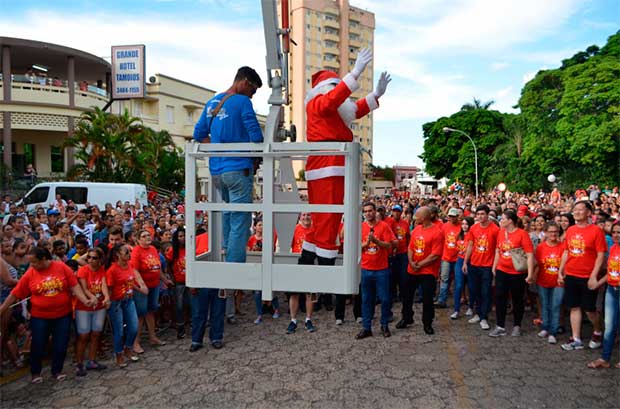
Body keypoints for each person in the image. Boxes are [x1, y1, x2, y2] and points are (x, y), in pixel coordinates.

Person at [297, 48, 391, 334]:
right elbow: (333, 102)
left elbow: (352, 109)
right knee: (327, 220)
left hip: (334, 164)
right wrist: (355, 73)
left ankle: (311, 270)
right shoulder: (317, 104)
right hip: (327, 165)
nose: (343, 93)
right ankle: (323, 284)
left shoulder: (333, 106)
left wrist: (376, 95)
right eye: (338, 88)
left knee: (325, 222)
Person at [193, 66, 263, 340]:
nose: (253, 96)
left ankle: (223, 252)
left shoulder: (213, 101)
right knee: (240, 220)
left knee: (225, 216)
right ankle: (233, 269)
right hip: (237, 171)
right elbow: (256, 137)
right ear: (244, 83)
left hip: (216, 172)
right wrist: (245, 152)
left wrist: (220, 145)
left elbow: (200, 134)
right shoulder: (241, 101)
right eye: (253, 89)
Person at [0, 247, 95, 383]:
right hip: (40, 317)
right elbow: (15, 293)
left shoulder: (61, 267)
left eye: (34, 262)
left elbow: (75, 286)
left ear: (44, 259)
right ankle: (36, 372)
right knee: (38, 344)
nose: (32, 266)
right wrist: (2, 309)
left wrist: (85, 300)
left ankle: (57, 371)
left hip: (62, 315)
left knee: (60, 343)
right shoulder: (31, 273)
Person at [559, 201, 607, 351]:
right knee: (574, 306)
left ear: (588, 213)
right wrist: (561, 270)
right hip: (571, 274)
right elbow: (567, 251)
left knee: (589, 309)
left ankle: (598, 331)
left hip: (587, 275)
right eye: (575, 210)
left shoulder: (596, 231)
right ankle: (576, 339)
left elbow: (600, 255)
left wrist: (594, 276)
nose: (577, 212)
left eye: (581, 210)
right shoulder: (571, 230)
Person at [397, 206, 444, 335]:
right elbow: (411, 247)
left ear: (424, 217)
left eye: (416, 215)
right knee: (407, 295)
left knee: (427, 299)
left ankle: (427, 323)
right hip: (412, 269)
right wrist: (411, 262)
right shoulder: (416, 229)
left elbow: (435, 255)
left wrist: (420, 264)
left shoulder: (437, 232)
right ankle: (407, 318)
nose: (414, 217)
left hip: (428, 271)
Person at [488, 210, 535, 337]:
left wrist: (530, 274)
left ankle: (517, 325)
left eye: (503, 218)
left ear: (510, 220)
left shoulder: (522, 234)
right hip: (502, 270)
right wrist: (495, 266)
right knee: (499, 297)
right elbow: (498, 250)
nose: (501, 220)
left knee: (517, 298)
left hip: (517, 272)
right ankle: (500, 325)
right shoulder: (501, 233)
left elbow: (530, 255)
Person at [355, 202, 397, 339]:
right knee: (367, 299)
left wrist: (376, 241)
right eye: (365, 211)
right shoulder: (361, 227)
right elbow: (355, 247)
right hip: (366, 269)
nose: (368, 213)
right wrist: (366, 243)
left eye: (370, 211)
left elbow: (389, 245)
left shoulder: (384, 226)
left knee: (385, 299)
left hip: (381, 269)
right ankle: (366, 328)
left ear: (375, 212)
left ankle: (384, 325)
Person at [106, 244, 147, 368]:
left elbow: (129, 281)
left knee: (134, 327)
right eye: (126, 252)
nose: (129, 254)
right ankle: (119, 355)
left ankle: (128, 348)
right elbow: (109, 288)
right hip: (116, 303)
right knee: (119, 330)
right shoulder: (112, 270)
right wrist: (109, 303)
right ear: (118, 255)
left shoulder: (130, 265)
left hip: (129, 300)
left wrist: (140, 289)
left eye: (130, 252)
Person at [131, 230, 170, 353]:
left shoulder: (153, 249)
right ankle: (135, 342)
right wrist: (142, 285)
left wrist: (165, 280)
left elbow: (157, 268)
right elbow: (135, 270)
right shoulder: (136, 251)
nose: (147, 237)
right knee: (140, 314)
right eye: (144, 236)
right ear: (138, 240)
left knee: (151, 311)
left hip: (154, 285)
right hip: (142, 289)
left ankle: (152, 337)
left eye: (148, 235)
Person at [587, 223, 620, 369]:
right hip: (611, 290)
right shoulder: (612, 248)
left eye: (619, 232)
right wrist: (598, 283)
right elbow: (610, 272)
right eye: (614, 232)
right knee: (609, 325)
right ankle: (605, 358)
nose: (616, 235)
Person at [74, 247, 110, 376]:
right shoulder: (83, 270)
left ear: (100, 259)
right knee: (83, 335)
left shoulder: (102, 270)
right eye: (89, 257)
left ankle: (92, 360)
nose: (90, 260)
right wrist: (91, 297)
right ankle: (79, 363)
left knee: (96, 333)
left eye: (94, 258)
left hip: (99, 306)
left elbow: (104, 285)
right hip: (84, 307)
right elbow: (83, 288)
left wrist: (106, 297)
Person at [463, 204, 499, 331]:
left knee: (486, 291)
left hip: (487, 266)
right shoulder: (473, 228)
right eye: (478, 214)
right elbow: (471, 245)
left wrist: (495, 265)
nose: (480, 217)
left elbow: (497, 249)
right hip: (474, 264)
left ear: (487, 214)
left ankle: (484, 317)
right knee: (474, 290)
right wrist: (465, 262)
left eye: (482, 214)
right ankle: (478, 313)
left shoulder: (495, 229)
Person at [534, 221, 565, 344]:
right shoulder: (540, 247)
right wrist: (532, 276)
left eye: (555, 232)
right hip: (543, 280)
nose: (553, 234)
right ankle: (545, 327)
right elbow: (537, 264)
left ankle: (553, 331)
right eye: (550, 232)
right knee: (545, 304)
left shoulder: (563, 247)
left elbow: (566, 265)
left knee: (556, 306)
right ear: (545, 233)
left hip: (559, 282)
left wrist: (562, 276)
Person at [287, 212, 317, 333]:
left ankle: (308, 320)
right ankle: (293, 320)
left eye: (308, 215)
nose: (306, 217)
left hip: (310, 263)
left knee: (310, 294)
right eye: (303, 215)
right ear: (299, 217)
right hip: (296, 263)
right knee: (294, 294)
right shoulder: (294, 229)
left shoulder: (316, 230)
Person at [166, 227, 191, 339]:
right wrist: (172, 278)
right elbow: (168, 265)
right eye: (180, 236)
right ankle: (180, 327)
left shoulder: (191, 248)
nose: (183, 238)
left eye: (184, 235)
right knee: (179, 306)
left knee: (191, 304)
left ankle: (192, 324)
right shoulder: (172, 251)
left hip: (191, 281)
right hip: (179, 282)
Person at [436, 208, 461, 308]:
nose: (451, 218)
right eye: (450, 216)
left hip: (457, 257)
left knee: (457, 281)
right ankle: (442, 300)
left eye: (453, 216)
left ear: (457, 217)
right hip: (446, 256)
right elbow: (440, 240)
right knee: (444, 279)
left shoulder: (461, 226)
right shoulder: (444, 226)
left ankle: (457, 302)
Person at [451, 216, 475, 319]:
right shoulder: (459, 235)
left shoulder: (472, 235)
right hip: (460, 260)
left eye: (467, 224)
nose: (464, 226)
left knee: (471, 285)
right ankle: (456, 310)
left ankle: (471, 306)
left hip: (471, 262)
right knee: (459, 285)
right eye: (463, 224)